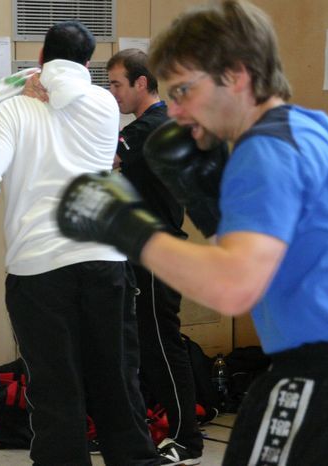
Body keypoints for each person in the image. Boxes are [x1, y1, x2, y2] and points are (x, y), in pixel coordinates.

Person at [56, 1, 328, 465]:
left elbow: (234, 287)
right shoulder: (318, 129)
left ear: (235, 75)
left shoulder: (263, 151)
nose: (176, 111)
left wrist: (124, 225)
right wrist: (215, 209)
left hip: (319, 387)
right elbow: (286, 252)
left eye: (184, 91)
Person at [0, 20, 161, 466]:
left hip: (39, 269)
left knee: (57, 389)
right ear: (88, 63)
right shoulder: (105, 104)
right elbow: (70, 97)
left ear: (41, 58)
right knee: (117, 382)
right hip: (104, 261)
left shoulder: (14, 110)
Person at [107, 48, 203, 465]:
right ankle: (163, 429)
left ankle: (188, 440)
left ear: (141, 83)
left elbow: (100, 157)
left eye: (117, 84)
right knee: (147, 348)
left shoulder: (150, 127)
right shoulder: (155, 124)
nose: (112, 93)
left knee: (164, 348)